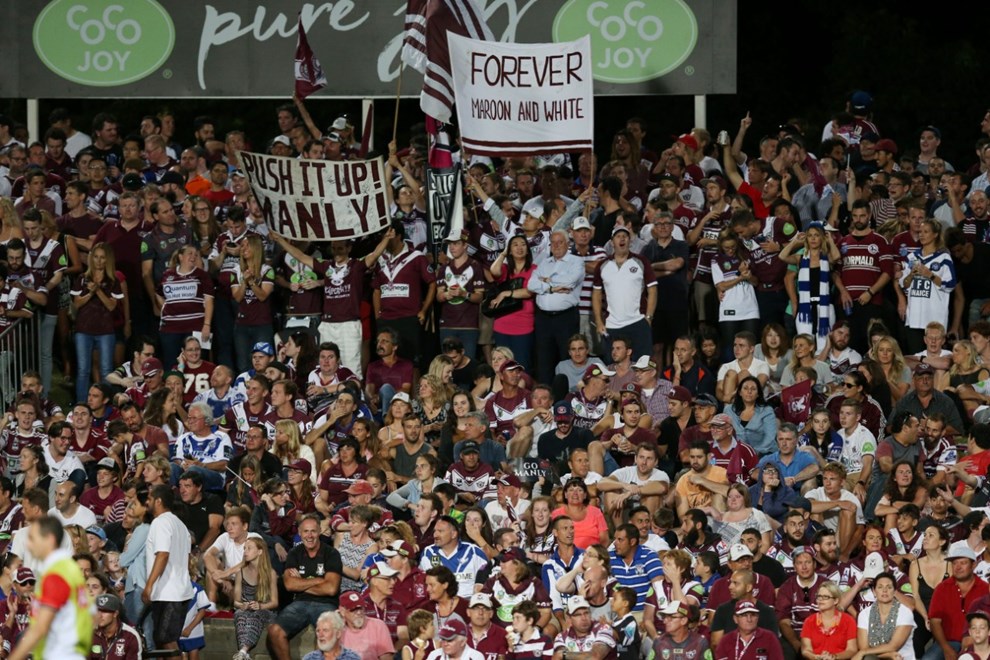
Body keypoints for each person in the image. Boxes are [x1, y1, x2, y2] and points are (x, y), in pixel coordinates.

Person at [6, 516, 90, 660]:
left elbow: (40, 628)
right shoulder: (67, 568)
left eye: (32, 539)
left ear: (49, 540)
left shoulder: (57, 574)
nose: (28, 544)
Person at [266, 514, 343, 660]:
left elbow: (331, 588)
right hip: (300, 603)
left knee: (326, 635)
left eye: (313, 531)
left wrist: (300, 583)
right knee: (275, 631)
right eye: (306, 531)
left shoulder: (331, 553)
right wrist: (319, 580)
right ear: (300, 533)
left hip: (326, 604)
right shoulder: (294, 553)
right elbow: (289, 585)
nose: (310, 535)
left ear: (319, 532)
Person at [927, 542, 990, 660]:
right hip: (947, 642)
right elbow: (935, 621)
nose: (958, 567)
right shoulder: (942, 588)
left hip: (978, 642)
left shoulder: (985, 589)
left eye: (963, 563)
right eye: (955, 563)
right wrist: (946, 648)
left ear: (973, 565)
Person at [854, 571, 916, 660]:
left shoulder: (905, 612)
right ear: (874, 592)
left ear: (895, 591)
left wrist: (863, 652)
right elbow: (864, 648)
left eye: (889, 587)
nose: (884, 590)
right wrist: (887, 655)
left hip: (900, 658)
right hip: (875, 658)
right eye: (880, 587)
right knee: (868, 658)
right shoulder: (864, 614)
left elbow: (893, 647)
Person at [800, 581, 857, 660]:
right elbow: (806, 650)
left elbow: (851, 650)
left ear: (836, 600)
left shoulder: (848, 621)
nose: (820, 600)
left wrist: (834, 657)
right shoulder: (809, 621)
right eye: (819, 596)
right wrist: (815, 657)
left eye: (825, 597)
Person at [715, 599, 784, 660]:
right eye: (744, 615)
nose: (749, 619)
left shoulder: (769, 638)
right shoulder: (726, 641)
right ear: (735, 619)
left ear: (758, 618)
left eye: (753, 615)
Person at [551, 596, 616, 660]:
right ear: (570, 619)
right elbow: (557, 656)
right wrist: (561, 655)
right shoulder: (562, 637)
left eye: (586, 613)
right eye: (578, 615)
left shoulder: (604, 628)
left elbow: (595, 656)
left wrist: (564, 655)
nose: (584, 618)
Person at [90, 592, 142, 659]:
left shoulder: (130, 636)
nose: (99, 615)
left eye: (104, 611)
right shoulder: (90, 634)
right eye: (97, 611)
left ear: (115, 613)